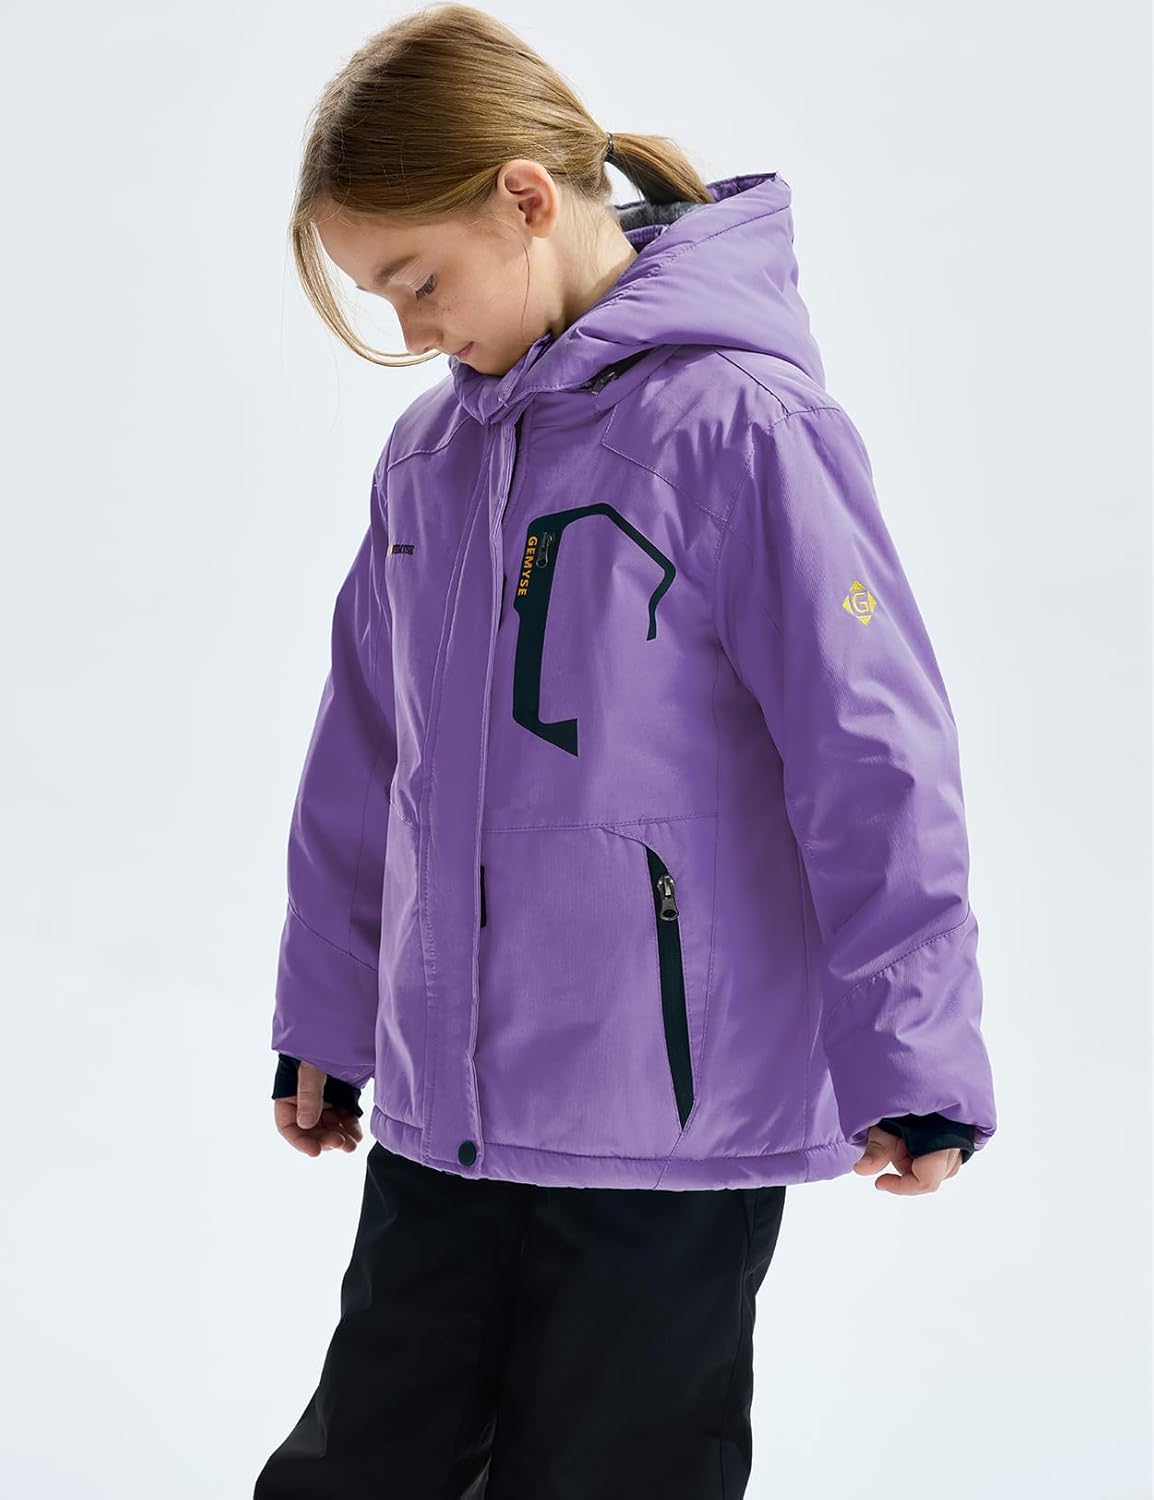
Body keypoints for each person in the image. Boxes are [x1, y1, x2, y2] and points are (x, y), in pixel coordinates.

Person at [254, 6, 998, 1497]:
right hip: (448, 1122)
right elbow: (365, 758)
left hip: (667, 1126)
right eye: (381, 297)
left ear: (526, 198)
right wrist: (327, 1013)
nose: (412, 332)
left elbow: (871, 753)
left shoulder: (738, 428)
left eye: (420, 280)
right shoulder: (431, 459)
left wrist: (912, 1051)